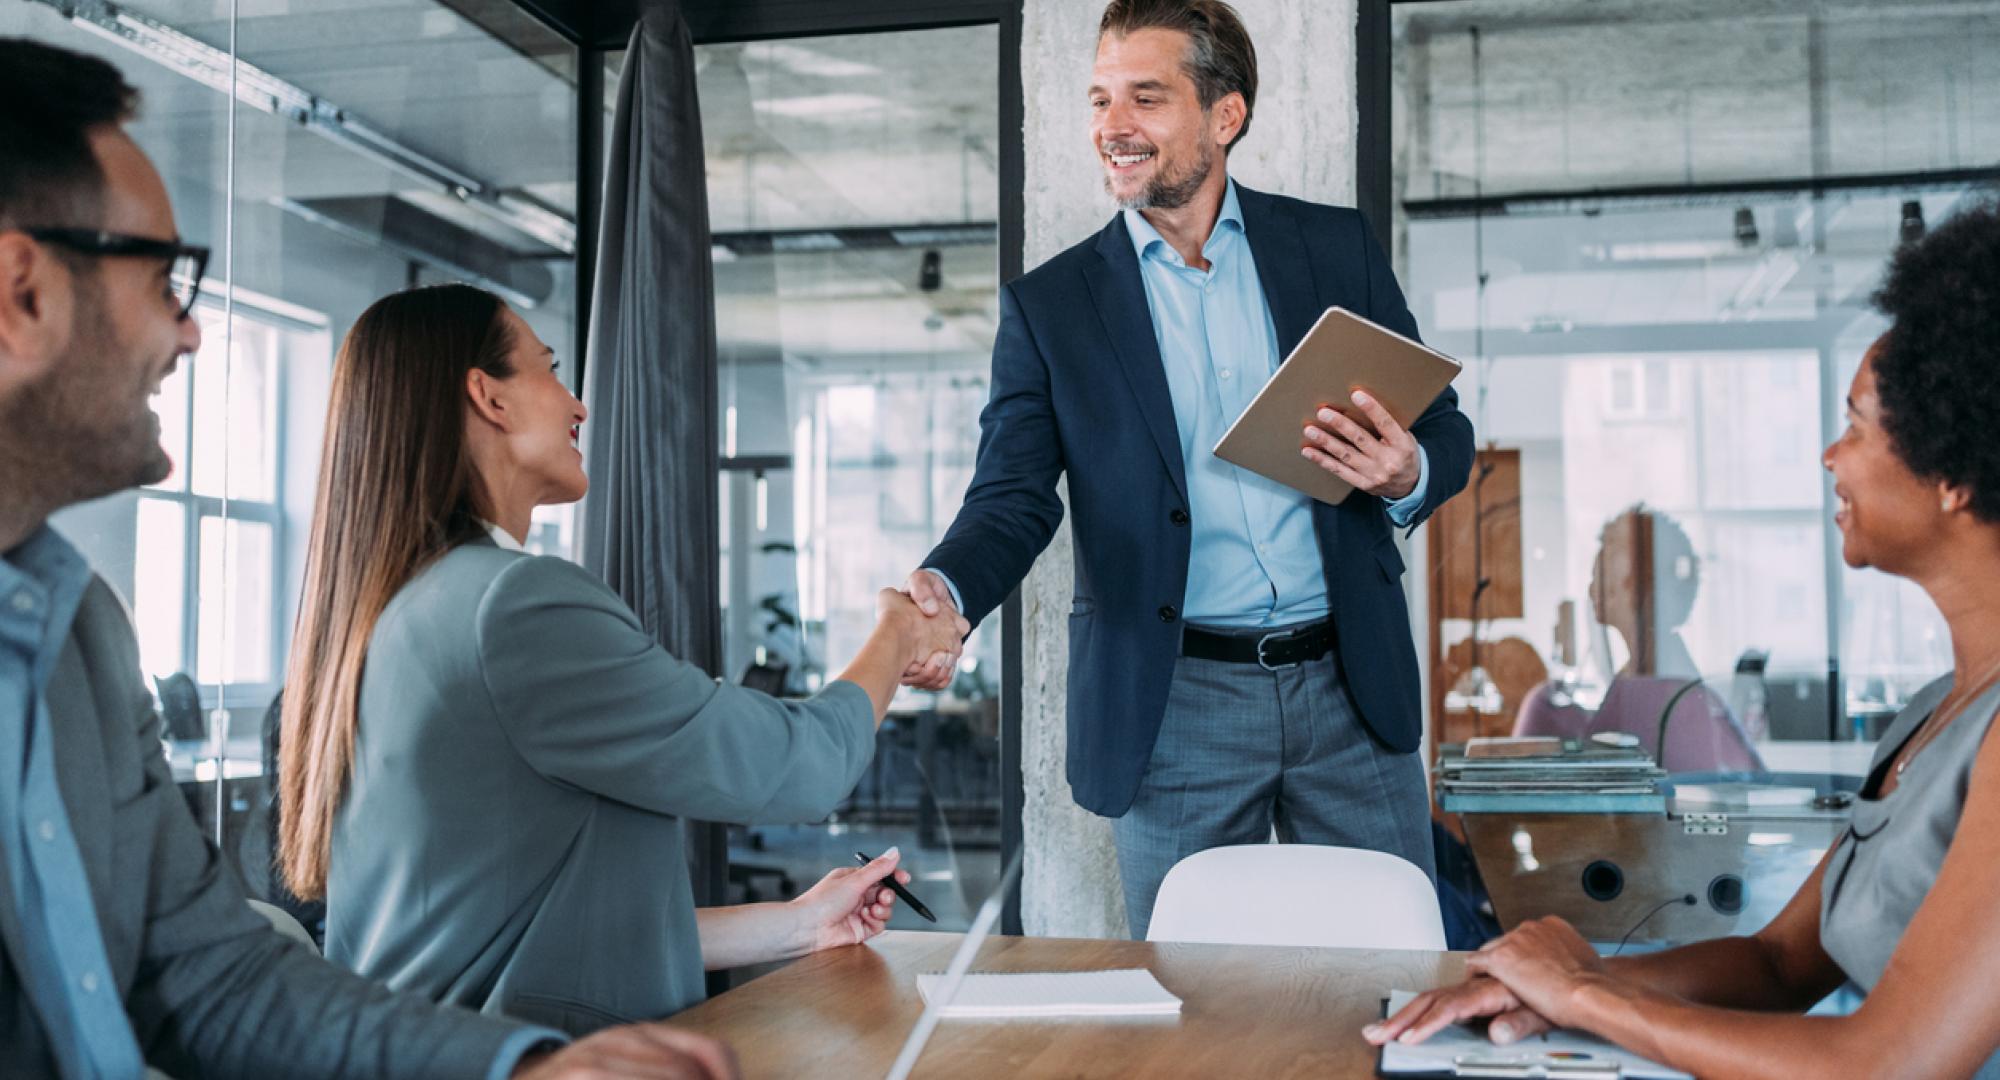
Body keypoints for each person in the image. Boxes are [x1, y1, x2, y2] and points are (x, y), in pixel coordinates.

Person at [0, 35, 735, 1079]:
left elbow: (215, 977)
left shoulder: (76, 633)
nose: (192, 335)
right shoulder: (502, 598)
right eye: (166, 279)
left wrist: (520, 1068)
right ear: (22, 292)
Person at [1369, 202, 2000, 1079]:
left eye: (1855, 424)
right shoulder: (1935, 714)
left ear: (1956, 476)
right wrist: (1557, 982)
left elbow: (1885, 1064)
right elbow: (1777, 967)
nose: (1829, 455)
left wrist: (1588, 997)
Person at [902, 0, 1473, 937]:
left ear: (1225, 116)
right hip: (1177, 702)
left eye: (1146, 98)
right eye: (1098, 100)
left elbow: (1442, 428)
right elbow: (1011, 496)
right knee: (1191, 1002)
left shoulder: (1332, 249)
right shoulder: (1052, 308)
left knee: (1395, 970)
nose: (1111, 128)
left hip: (1349, 686)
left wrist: (1405, 469)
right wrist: (951, 587)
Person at [278, 282, 965, 1034]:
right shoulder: (514, 606)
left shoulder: (402, 608)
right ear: (489, 398)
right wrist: (897, 635)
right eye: (548, 370)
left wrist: (798, 924)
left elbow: (518, 933)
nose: (577, 405)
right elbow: (797, 766)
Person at [1514, 505, 1762, 773]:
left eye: (1605, 567)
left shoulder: (1659, 686)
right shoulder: (1647, 674)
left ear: (1635, 584)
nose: (1593, 585)